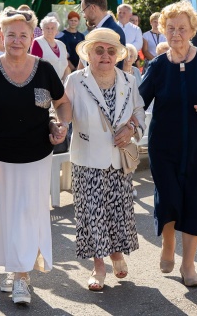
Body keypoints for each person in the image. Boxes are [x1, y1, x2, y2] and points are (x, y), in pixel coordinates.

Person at [0, 8, 71, 304]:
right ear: (1, 35)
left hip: (36, 158)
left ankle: (22, 276)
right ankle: (14, 268)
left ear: (32, 37)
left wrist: (61, 124)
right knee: (3, 217)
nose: (16, 40)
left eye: (22, 35)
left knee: (27, 215)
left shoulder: (45, 69)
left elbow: (63, 104)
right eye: (10, 34)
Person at [139, 0, 197, 287]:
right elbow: (138, 102)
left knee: (196, 201)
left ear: (192, 30)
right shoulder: (156, 66)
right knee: (168, 198)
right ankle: (168, 244)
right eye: (170, 28)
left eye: (181, 28)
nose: (175, 33)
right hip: (163, 146)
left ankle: (188, 265)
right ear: (163, 30)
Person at [64, 29, 144, 291]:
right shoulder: (76, 80)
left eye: (111, 51)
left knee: (118, 211)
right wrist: (58, 126)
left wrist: (132, 130)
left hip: (118, 160)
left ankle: (117, 254)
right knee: (92, 214)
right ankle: (98, 267)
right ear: (88, 53)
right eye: (99, 50)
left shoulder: (128, 80)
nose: (105, 56)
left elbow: (138, 112)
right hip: (87, 159)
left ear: (118, 55)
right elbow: (63, 112)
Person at [80, 0, 126, 68]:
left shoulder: (111, 31)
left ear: (92, 8)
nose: (84, 16)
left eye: (83, 11)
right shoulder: (107, 28)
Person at [30, 16, 69, 81]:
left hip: (60, 85)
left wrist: (65, 85)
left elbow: (66, 68)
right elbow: (35, 67)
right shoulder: (37, 42)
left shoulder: (62, 45)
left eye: (52, 28)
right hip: (43, 83)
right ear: (42, 29)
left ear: (56, 30)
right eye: (47, 28)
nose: (50, 30)